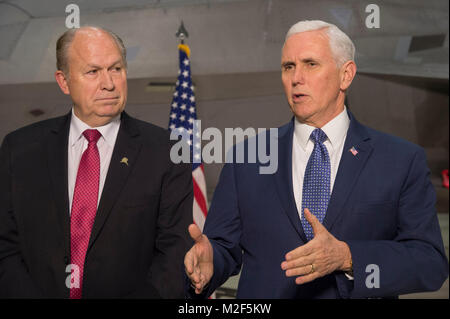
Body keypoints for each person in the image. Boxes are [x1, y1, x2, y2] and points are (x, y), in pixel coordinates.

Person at [184, 20, 448, 298]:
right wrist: (210, 263)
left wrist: (348, 257)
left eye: (310, 64)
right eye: (288, 67)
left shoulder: (400, 160)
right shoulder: (246, 158)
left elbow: (428, 262)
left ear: (346, 75)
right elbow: (224, 248)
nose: (296, 77)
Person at [0, 26, 193, 298]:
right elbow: (6, 248)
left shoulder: (166, 152)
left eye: (116, 68)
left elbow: (172, 255)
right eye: (93, 72)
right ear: (63, 81)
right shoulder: (19, 150)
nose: (109, 83)